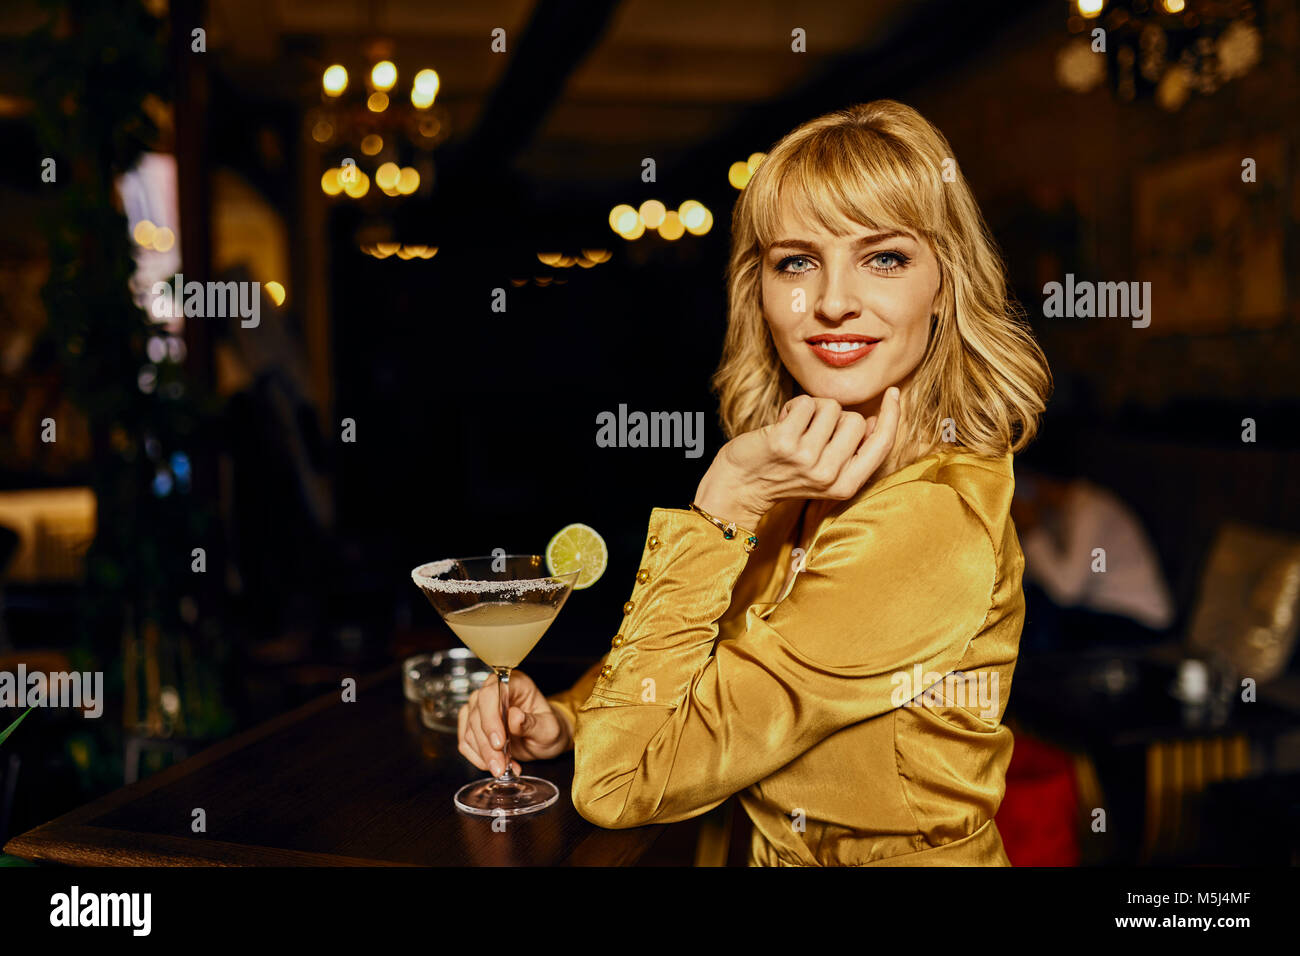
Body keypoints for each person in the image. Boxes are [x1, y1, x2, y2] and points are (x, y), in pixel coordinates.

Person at [457, 100, 1052, 865]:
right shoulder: (811, 469)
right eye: (797, 261)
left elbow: (620, 783)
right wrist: (568, 717)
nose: (833, 300)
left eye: (885, 257)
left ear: (945, 283)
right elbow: (715, 654)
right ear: (758, 290)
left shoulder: (929, 522)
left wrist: (723, 501)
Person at [1012, 465, 1175, 653]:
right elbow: (1031, 577)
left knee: (1043, 617)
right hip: (1098, 608)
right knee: (1029, 606)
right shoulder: (1057, 513)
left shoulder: (1092, 512)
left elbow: (1066, 590)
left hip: (1138, 617)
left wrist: (1031, 529)